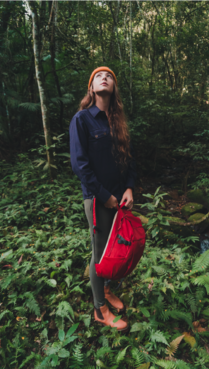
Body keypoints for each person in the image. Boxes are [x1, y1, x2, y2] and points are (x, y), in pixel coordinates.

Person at [69, 66, 136, 331]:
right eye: (98, 75)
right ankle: (100, 309)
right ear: (91, 87)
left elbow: (129, 159)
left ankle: (107, 290)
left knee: (114, 250)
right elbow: (79, 164)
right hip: (97, 199)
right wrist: (104, 195)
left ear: (114, 88)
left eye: (109, 76)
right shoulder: (82, 119)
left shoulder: (117, 121)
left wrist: (129, 188)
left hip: (120, 199)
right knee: (99, 253)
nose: (104, 77)